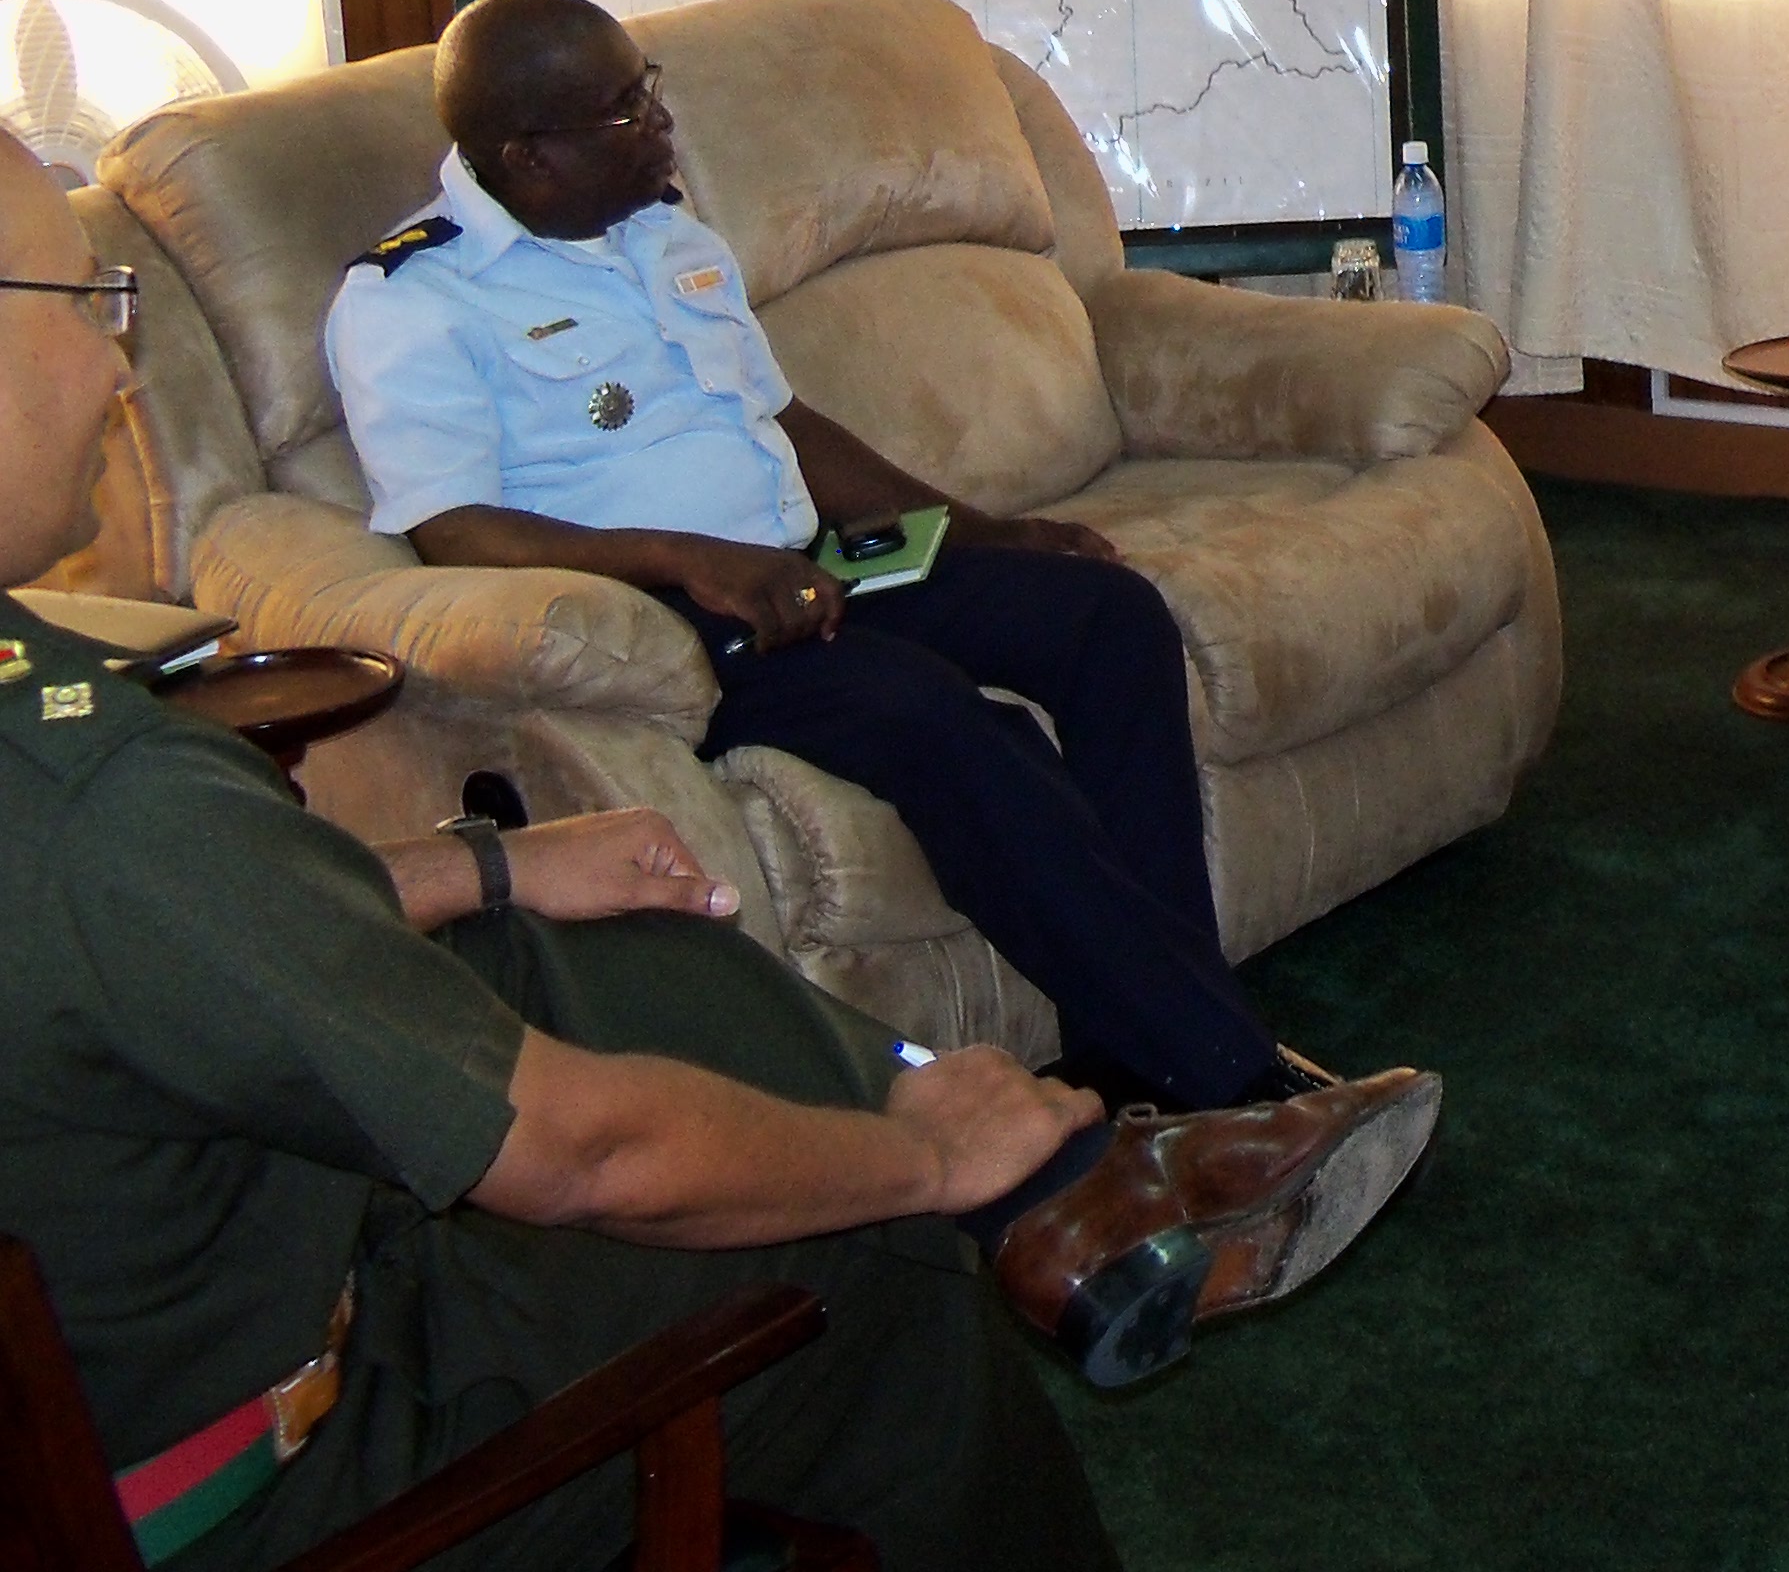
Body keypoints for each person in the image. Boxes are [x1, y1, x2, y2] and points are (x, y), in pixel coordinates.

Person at [0, 126, 1440, 1572]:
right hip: (287, 1458)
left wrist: (488, 865)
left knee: (574, 926)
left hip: (189, 1302)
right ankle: (1026, 1191)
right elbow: (581, 1152)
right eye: (84, 301)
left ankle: (1099, 1153)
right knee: (872, 1258)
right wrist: (911, 1164)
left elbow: (175, 928)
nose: (116, 366)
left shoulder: (64, 744)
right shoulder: (116, 788)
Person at [325, 0, 1398, 1133]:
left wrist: (983, 528)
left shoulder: (662, 231)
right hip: (681, 624)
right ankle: (1232, 1087)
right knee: (942, 720)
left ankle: (1151, 1050)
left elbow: (783, 420)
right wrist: (692, 561)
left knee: (1108, 615)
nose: (662, 123)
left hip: (811, 569)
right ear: (529, 156)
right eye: (625, 110)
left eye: (649, 88)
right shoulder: (413, 299)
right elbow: (452, 528)